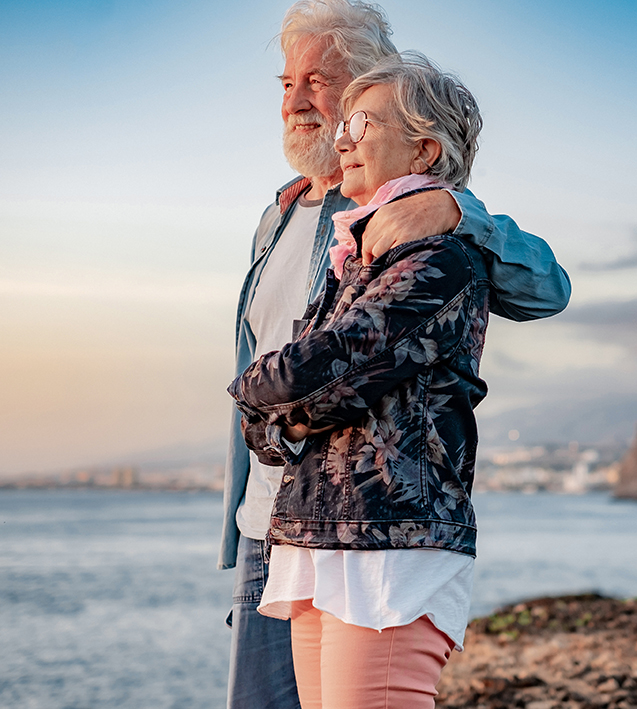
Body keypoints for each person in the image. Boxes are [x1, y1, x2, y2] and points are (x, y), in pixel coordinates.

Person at [220, 2, 571, 708]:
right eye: (286, 83)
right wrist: (263, 417)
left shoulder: (422, 220)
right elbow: (272, 376)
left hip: (373, 533)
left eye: (320, 81)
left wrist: (456, 210)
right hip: (279, 522)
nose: (299, 101)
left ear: (362, 82)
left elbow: (548, 286)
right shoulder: (277, 218)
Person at [229, 51, 490, 708]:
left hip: (389, 543)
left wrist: (255, 391)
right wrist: (279, 401)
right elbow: (296, 393)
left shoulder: (442, 255)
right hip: (321, 530)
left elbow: (332, 361)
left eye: (363, 125)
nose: (341, 137)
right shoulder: (357, 255)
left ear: (424, 149)